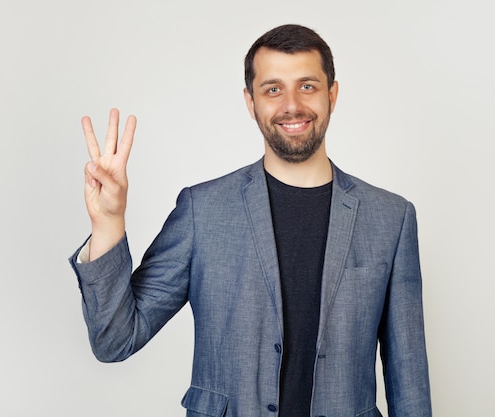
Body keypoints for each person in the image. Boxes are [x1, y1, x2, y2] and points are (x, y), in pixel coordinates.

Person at [70, 24, 431, 417]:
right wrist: (108, 223)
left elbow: (408, 380)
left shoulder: (391, 218)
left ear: (332, 94)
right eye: (273, 89)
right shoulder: (201, 211)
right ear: (251, 102)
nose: (292, 104)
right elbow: (114, 340)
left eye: (307, 86)